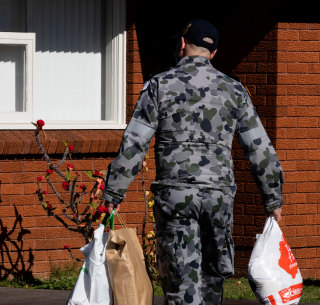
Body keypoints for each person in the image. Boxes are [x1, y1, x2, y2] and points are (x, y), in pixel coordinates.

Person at [103, 19, 283, 305]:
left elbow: (134, 143)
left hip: (175, 196)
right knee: (213, 280)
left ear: (183, 44)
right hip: (219, 197)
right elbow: (259, 148)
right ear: (214, 54)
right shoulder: (235, 91)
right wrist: (272, 200)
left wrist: (114, 192)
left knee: (180, 283)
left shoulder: (159, 86)